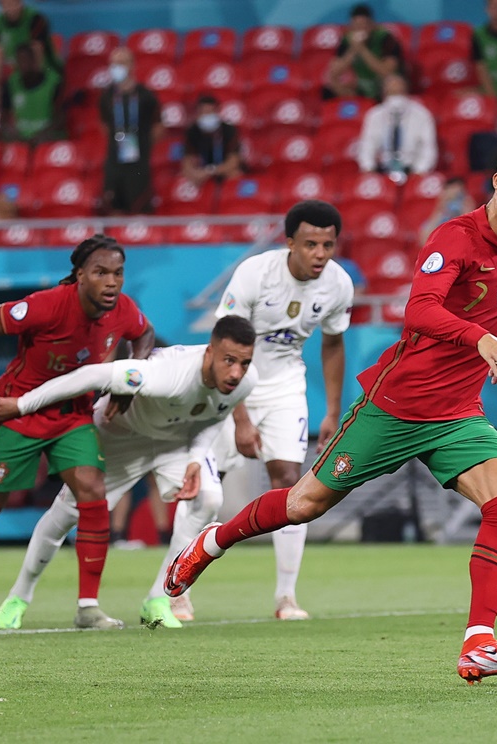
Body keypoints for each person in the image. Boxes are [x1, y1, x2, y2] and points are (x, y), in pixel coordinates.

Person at [164, 142, 497, 685]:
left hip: (457, 415)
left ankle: (479, 643)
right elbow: (419, 309)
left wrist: (480, 348)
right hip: (396, 408)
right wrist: (480, 338)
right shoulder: (455, 238)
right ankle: (212, 542)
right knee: (304, 504)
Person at [0, 234, 154, 632]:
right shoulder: (49, 305)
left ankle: (87, 607)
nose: (112, 282)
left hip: (71, 415)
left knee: (92, 490)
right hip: (17, 413)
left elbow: (143, 334)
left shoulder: (123, 310)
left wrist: (131, 378)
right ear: (79, 276)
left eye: (118, 274)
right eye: (101, 272)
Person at [0, 316, 258, 631]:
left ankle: (157, 600)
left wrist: (197, 457)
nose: (236, 372)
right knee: (65, 516)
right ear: (209, 352)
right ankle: (18, 597)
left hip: (174, 442)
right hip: (121, 437)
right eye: (229, 361)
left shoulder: (245, 382)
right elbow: (88, 376)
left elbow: (213, 416)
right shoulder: (164, 373)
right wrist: (21, 405)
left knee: (208, 499)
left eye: (244, 362)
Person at [204, 199, 354, 624]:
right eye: (310, 244)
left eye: (328, 244)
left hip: (287, 384)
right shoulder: (255, 274)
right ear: (289, 243)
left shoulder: (339, 285)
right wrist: (241, 417)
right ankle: (177, 590)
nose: (320, 254)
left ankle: (285, 597)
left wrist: (332, 411)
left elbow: (332, 342)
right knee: (205, 489)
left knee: (291, 484)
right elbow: (224, 347)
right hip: (236, 383)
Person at [99, 46, 160, 215]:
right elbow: (105, 127)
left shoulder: (146, 96)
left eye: (121, 63)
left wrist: (142, 144)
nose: (116, 68)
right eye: (113, 64)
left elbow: (158, 128)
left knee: (139, 210)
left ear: (132, 66)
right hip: (115, 161)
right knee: (114, 210)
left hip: (138, 163)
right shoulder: (107, 97)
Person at [356, 74, 436, 180]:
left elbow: (428, 148)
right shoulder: (374, 115)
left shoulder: (422, 115)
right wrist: (368, 168)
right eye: (392, 93)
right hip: (383, 171)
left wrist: (419, 172)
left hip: (412, 171)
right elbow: (367, 145)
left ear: (406, 92)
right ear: (384, 94)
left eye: (399, 92)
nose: (396, 98)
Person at [323, 3, 404, 100]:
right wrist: (353, 50)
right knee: (333, 81)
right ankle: (355, 109)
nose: (360, 30)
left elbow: (386, 71)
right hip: (362, 86)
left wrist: (362, 50)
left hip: (382, 86)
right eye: (356, 26)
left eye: (363, 26)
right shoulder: (347, 40)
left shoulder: (386, 39)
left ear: (372, 25)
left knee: (393, 83)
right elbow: (334, 72)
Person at [0, 42, 64, 144]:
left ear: (34, 61)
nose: (23, 65)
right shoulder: (10, 84)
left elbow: (61, 119)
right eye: (19, 61)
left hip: (47, 140)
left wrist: (42, 135)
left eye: (26, 60)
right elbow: (3, 120)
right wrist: (12, 134)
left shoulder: (54, 82)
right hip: (20, 140)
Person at [0, 0, 60, 84]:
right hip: (17, 75)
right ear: (0, 5)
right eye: (6, 4)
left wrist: (36, 82)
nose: (11, 8)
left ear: (21, 2)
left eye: (14, 3)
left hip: (46, 70)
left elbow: (37, 50)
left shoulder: (36, 18)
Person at [180, 94, 243, 186]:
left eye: (210, 112)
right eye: (204, 112)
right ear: (198, 113)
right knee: (186, 176)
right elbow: (187, 160)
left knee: (235, 174)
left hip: (222, 168)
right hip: (200, 169)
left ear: (217, 112)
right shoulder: (192, 131)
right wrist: (194, 173)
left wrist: (211, 171)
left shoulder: (228, 130)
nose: (207, 116)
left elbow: (234, 161)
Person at [418, 177, 468, 244]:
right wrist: (442, 204)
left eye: (459, 192)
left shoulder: (465, 204)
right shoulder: (438, 208)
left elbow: (467, 231)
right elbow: (424, 240)